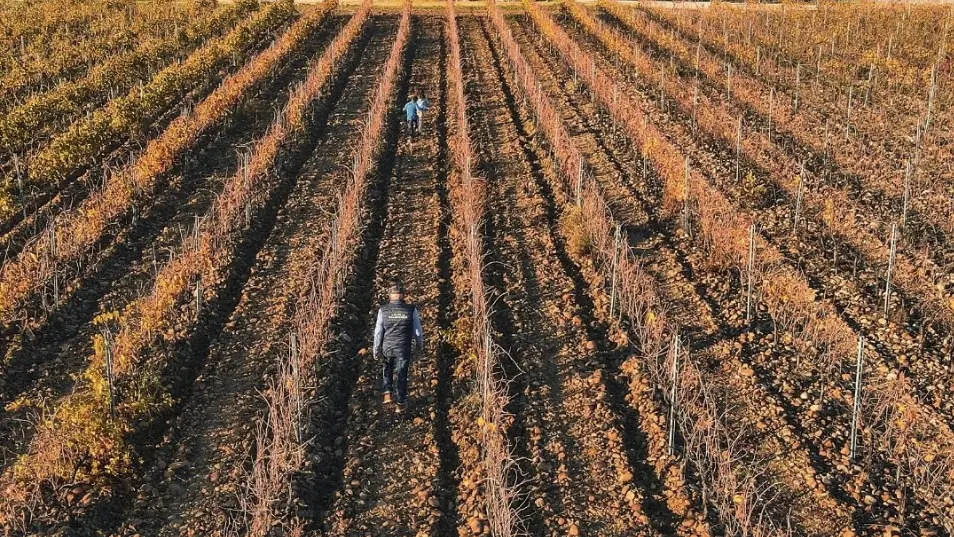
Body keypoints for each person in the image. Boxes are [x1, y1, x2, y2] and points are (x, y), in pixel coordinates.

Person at [373, 280, 424, 413]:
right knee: (402, 374)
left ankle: (387, 393)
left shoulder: (383, 310)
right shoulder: (411, 309)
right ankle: (400, 403)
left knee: (387, 368)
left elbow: (378, 332)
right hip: (403, 348)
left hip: (387, 347)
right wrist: (420, 345)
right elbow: (417, 331)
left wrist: (376, 348)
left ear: (390, 296)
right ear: (402, 295)